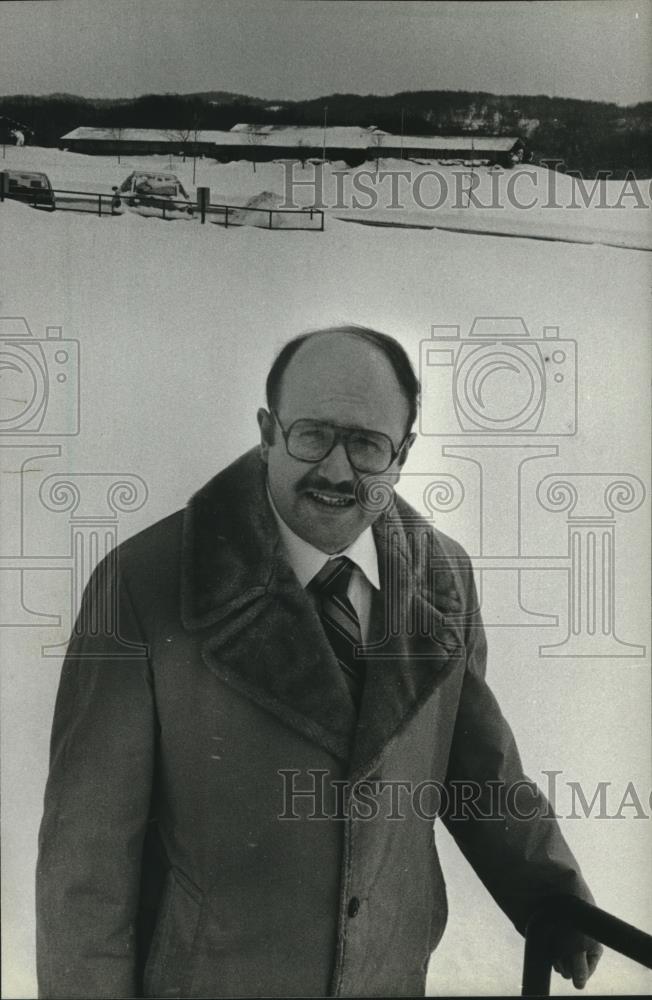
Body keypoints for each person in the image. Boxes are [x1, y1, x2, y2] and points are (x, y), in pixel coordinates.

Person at [36, 325, 602, 998]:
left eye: (366, 443)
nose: (337, 470)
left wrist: (551, 895)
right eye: (311, 434)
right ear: (268, 430)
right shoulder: (146, 584)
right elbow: (87, 863)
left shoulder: (442, 576)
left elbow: (476, 765)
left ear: (404, 453)